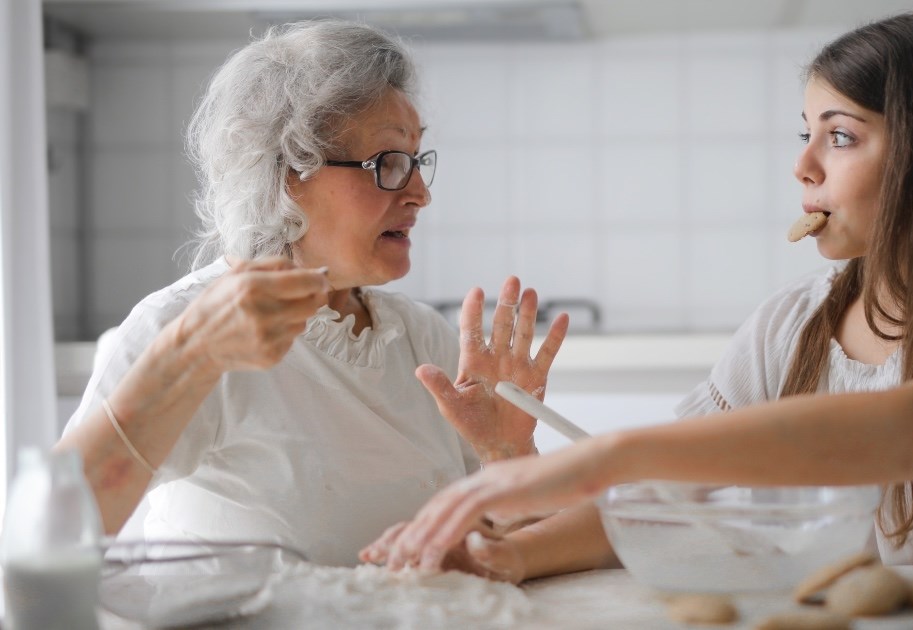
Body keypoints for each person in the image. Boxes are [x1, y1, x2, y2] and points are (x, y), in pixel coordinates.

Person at [362, 11, 913, 577]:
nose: (802, 166)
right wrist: (512, 554)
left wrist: (612, 451)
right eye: (804, 133)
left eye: (839, 135)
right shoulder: (791, 325)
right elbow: (670, 496)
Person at [56, 20, 568, 567]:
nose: (420, 193)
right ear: (284, 175)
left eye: (417, 161)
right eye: (388, 164)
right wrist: (187, 357)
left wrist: (508, 456)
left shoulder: (421, 338)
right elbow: (55, 531)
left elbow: (505, 552)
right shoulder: (182, 325)